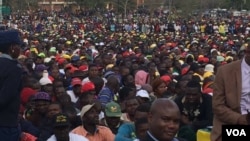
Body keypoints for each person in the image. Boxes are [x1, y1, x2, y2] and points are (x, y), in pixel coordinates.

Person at [211, 42, 250, 141]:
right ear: (247, 52)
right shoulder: (225, 72)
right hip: (232, 123)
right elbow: (218, 105)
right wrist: (239, 119)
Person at [0, 30, 23, 141]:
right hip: (5, 123)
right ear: (12, 47)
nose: (20, 49)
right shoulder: (14, 68)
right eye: (18, 46)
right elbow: (5, 97)